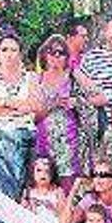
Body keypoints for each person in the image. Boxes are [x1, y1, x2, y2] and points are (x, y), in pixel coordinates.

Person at [0, 33, 40, 201]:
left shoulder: (31, 77)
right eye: (4, 50)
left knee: (14, 138)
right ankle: (1, 204)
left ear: (20, 53)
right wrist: (18, 106)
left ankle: (9, 202)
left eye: (13, 50)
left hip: (24, 132)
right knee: (3, 140)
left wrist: (2, 102)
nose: (9, 54)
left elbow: (34, 105)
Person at [34, 34, 87, 192]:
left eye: (61, 52)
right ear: (44, 54)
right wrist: (52, 104)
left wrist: (75, 102)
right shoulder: (36, 79)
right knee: (43, 184)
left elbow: (99, 97)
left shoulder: (73, 77)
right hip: (43, 138)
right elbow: (33, 116)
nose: (56, 56)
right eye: (51, 51)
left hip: (68, 140)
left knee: (67, 186)